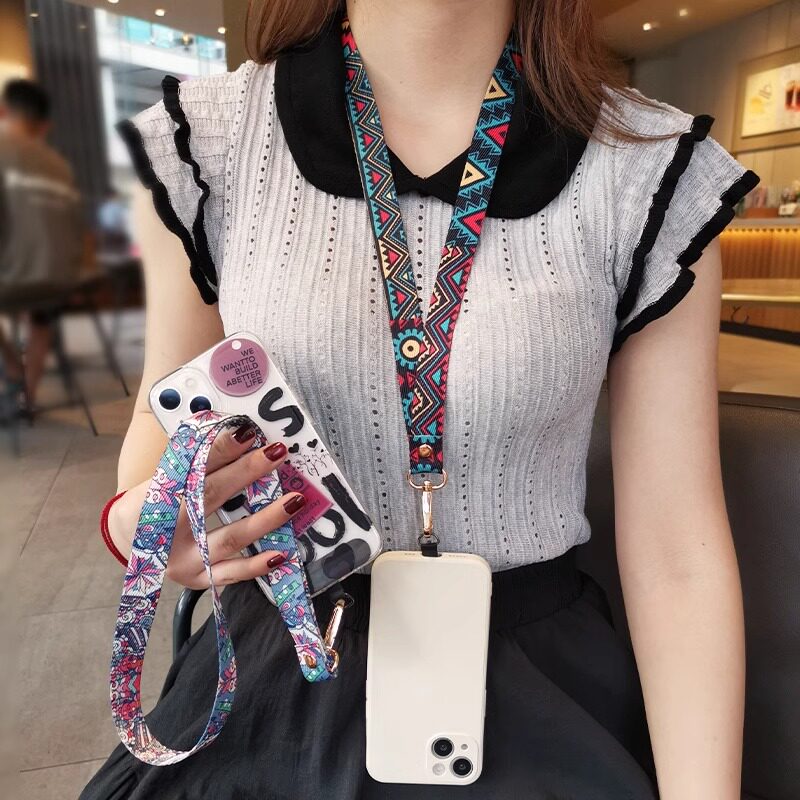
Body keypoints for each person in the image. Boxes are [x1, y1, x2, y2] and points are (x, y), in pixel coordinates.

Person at [83, 0, 758, 797]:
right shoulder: (206, 143)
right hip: (281, 664)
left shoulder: (651, 170)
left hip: (537, 690)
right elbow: (157, 426)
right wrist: (145, 525)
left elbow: (677, 555)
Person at [0, 78, 83, 407]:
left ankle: (14, 369)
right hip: (60, 281)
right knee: (40, 311)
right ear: (43, 124)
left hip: (16, 280)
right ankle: (28, 394)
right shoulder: (59, 164)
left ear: (4, 111)